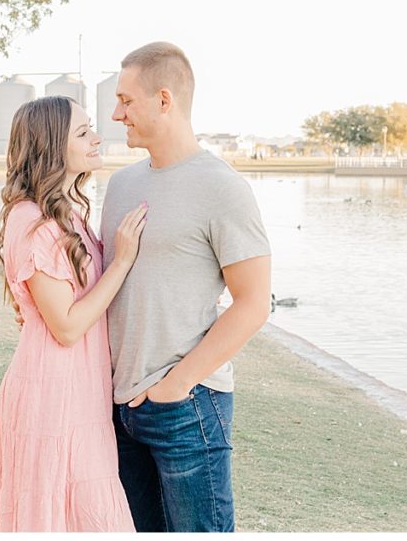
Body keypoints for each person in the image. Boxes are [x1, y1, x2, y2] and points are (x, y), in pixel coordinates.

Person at [102, 41, 271, 532]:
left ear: (163, 100)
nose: (116, 114)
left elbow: (254, 303)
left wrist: (176, 384)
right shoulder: (121, 185)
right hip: (118, 407)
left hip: (187, 408)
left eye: (126, 101)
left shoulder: (222, 187)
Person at [0, 95, 147, 532]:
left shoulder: (67, 211)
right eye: (82, 132)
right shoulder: (31, 219)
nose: (97, 138)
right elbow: (68, 326)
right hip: (52, 393)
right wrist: (122, 260)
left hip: (79, 390)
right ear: (51, 146)